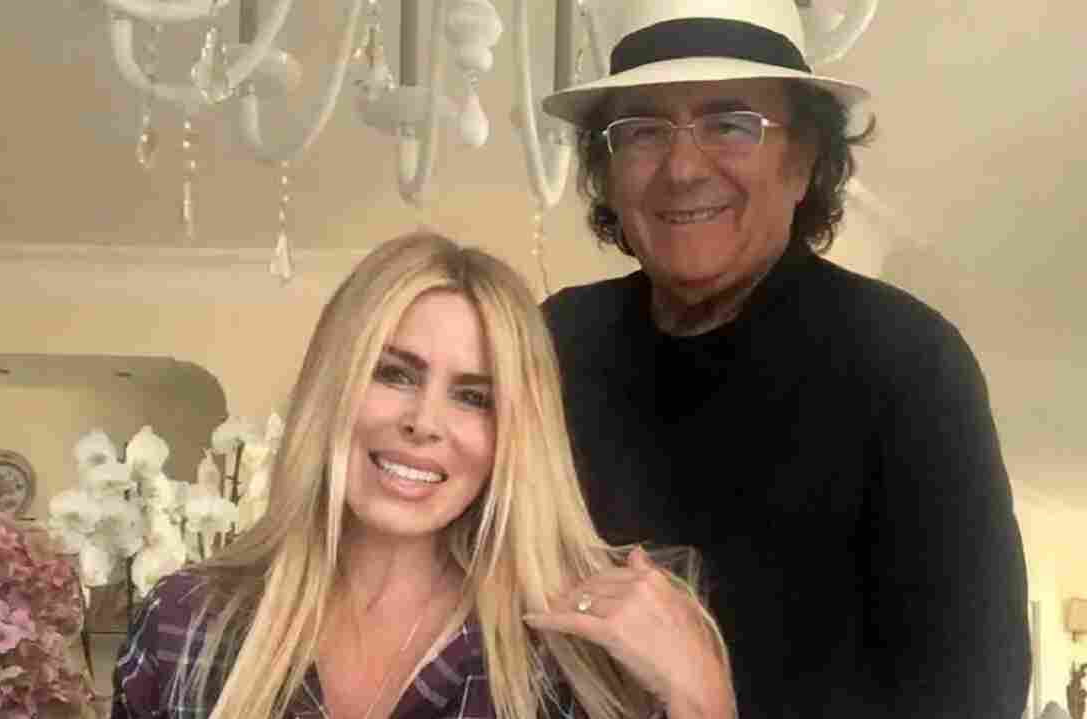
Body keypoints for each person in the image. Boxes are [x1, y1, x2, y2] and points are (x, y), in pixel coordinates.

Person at [538, 1, 1031, 718]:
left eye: (730, 123)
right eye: (642, 129)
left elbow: (973, 699)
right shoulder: (553, 342)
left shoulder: (908, 365)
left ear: (803, 161)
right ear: (608, 171)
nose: (682, 167)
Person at [112, 231, 736, 719]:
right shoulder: (185, 625)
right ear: (332, 387)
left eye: (473, 397)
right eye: (395, 374)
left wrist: (704, 699)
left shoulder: (581, 656)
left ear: (514, 434)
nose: (424, 422)